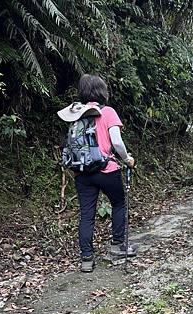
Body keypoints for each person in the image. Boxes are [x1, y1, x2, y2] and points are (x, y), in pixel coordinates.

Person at [62, 74, 135, 272]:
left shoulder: (75, 114)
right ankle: (117, 246)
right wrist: (127, 159)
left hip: (82, 172)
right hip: (106, 169)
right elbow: (117, 142)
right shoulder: (108, 112)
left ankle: (86, 259)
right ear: (101, 91)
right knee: (119, 203)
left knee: (87, 215)